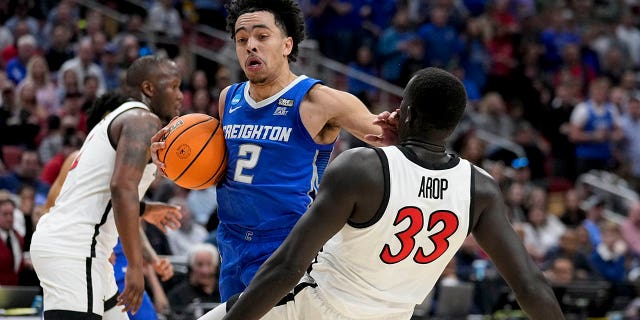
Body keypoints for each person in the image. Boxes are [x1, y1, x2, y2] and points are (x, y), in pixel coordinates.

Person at [199, 68, 564, 320]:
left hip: (315, 307)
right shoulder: (481, 187)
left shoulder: (362, 167)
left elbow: (287, 266)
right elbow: (530, 285)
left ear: (404, 110)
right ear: (454, 125)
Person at [150, 0, 398, 301]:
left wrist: (396, 125)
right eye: (242, 40)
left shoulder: (319, 100)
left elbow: (383, 134)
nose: (250, 46)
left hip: (287, 245)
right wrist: (170, 158)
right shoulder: (229, 98)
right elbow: (212, 165)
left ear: (287, 44)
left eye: (262, 36)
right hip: (231, 241)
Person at [30, 55, 184, 319]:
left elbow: (98, 191)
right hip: (75, 249)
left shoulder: (119, 119)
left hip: (86, 251)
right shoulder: (143, 120)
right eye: (173, 86)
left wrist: (144, 208)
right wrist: (136, 266)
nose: (180, 96)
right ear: (148, 88)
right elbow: (121, 188)